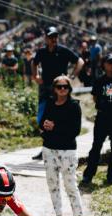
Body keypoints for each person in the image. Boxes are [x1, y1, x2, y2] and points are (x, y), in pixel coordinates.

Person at [39, 75, 84, 216]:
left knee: (70, 185)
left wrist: (54, 127)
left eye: (65, 86)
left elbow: (75, 131)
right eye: (59, 86)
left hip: (67, 151)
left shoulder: (74, 106)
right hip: (49, 149)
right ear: (55, 88)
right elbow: (42, 122)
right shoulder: (50, 103)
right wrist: (44, 127)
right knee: (53, 185)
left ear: (70, 88)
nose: (62, 89)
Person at [32, 27, 83, 160]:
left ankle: (59, 145)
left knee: (62, 115)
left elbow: (80, 62)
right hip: (45, 87)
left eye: (56, 37)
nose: (54, 39)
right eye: (51, 37)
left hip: (61, 88)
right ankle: (45, 147)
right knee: (42, 118)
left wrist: (72, 77)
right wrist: (35, 75)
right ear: (46, 38)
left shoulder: (63, 50)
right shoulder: (42, 52)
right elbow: (34, 62)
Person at [82, 54, 112, 188]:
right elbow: (95, 98)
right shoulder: (99, 81)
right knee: (96, 146)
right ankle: (88, 174)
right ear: (104, 64)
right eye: (110, 62)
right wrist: (106, 106)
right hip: (102, 117)